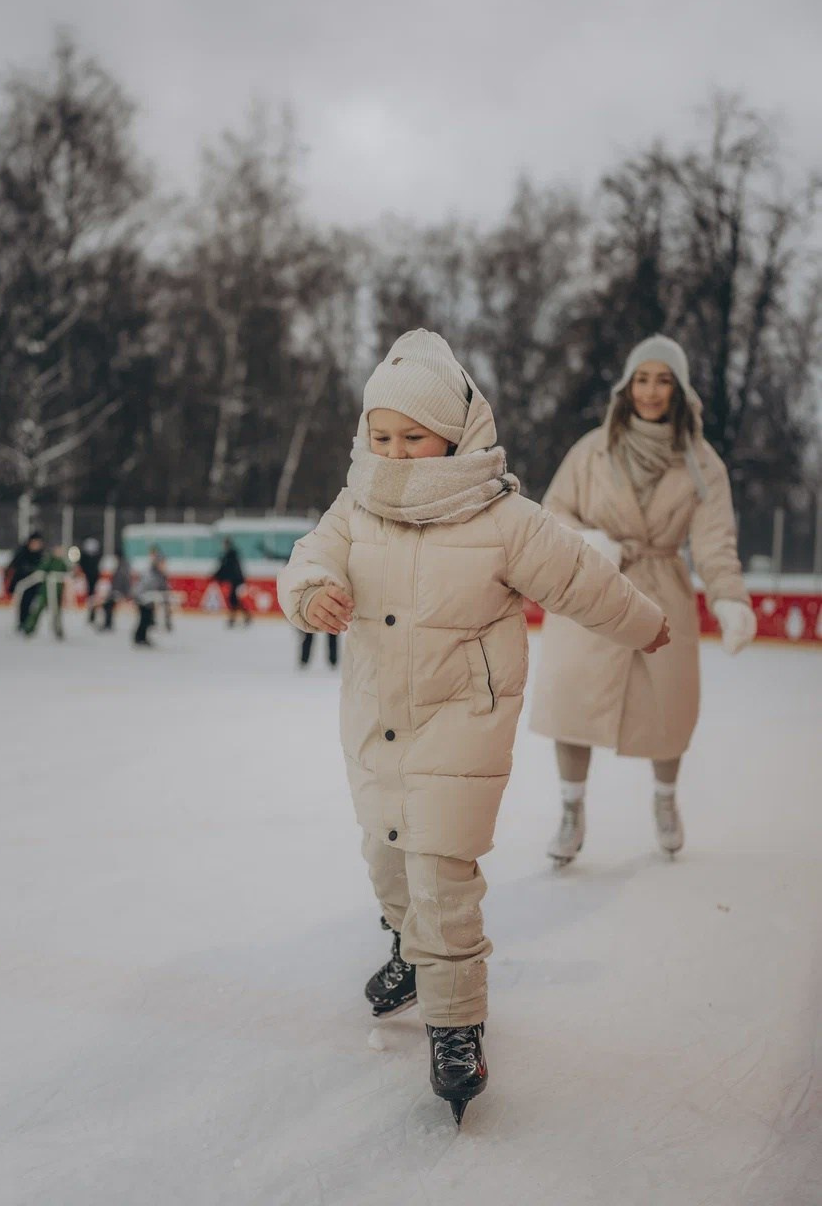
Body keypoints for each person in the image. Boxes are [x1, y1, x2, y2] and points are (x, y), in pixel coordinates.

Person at [277, 329, 669, 1123]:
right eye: (380, 436)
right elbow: (308, 556)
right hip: (376, 716)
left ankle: (456, 1024)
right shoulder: (355, 507)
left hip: (463, 717)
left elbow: (580, 578)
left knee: (440, 870)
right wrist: (311, 591)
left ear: (454, 434)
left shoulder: (501, 516)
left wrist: (643, 623)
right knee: (386, 856)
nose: (394, 451)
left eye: (412, 437)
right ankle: (406, 949)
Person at [530, 335, 757, 865]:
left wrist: (729, 598)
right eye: (642, 379)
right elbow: (551, 513)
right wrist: (594, 543)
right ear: (626, 386)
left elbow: (716, 541)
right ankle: (570, 811)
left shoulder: (702, 462)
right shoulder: (591, 450)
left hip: (661, 589)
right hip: (594, 585)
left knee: (668, 706)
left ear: (679, 389)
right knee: (573, 699)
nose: (651, 391)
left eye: (662, 380)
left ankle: (665, 801)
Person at [22, 545, 68, 639]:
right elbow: (41, 571)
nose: (59, 553)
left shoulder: (62, 562)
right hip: (45, 592)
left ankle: (58, 631)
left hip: (57, 593)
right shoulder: (48, 560)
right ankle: (29, 628)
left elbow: (68, 572)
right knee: (37, 610)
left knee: (56, 612)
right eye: (58, 551)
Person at [5, 530, 45, 632]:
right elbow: (13, 566)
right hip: (22, 583)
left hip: (35, 584)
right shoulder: (22, 552)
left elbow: (43, 568)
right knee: (24, 603)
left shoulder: (41, 554)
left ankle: (29, 623)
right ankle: (22, 622)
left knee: (33, 604)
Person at [133, 548, 171, 647]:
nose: (164, 565)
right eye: (162, 563)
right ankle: (139, 637)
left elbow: (163, 587)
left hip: (149, 600)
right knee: (144, 619)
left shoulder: (159, 574)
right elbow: (147, 587)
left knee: (147, 618)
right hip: (142, 599)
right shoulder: (151, 574)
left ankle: (142, 637)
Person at [211, 537, 252, 628]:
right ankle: (242, 617)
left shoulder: (230, 555)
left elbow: (226, 568)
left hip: (236, 581)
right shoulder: (230, 554)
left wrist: (217, 576)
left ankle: (236, 618)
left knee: (233, 600)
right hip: (236, 580)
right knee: (234, 600)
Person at [102, 556, 132, 631]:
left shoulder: (121, 573)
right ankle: (107, 623)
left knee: (108, 605)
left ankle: (108, 624)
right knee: (107, 605)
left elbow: (124, 586)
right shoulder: (121, 572)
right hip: (116, 593)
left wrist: (125, 595)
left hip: (119, 593)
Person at [79, 537, 102, 625]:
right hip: (89, 580)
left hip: (93, 580)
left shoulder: (95, 558)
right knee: (91, 597)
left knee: (92, 598)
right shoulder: (87, 558)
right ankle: (91, 614)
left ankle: (92, 614)